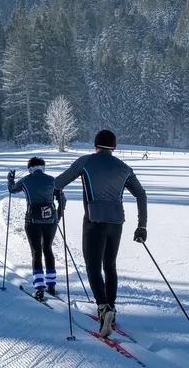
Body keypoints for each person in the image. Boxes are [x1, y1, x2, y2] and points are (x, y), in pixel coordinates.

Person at [55, 129, 147, 338]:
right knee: (110, 266)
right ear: (114, 147)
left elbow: (58, 183)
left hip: (93, 222)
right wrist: (142, 226)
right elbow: (141, 194)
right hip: (116, 223)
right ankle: (111, 311)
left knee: (93, 266)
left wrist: (54, 194)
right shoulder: (124, 168)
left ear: (95, 145)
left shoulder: (85, 162)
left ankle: (103, 307)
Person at [7, 157, 66, 301]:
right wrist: (57, 216)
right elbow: (62, 199)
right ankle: (51, 285)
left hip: (32, 220)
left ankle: (39, 289)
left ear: (30, 168)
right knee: (48, 249)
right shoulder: (53, 180)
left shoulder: (26, 180)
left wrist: (10, 179)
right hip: (50, 220)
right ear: (43, 167)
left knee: (36, 252)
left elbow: (12, 190)